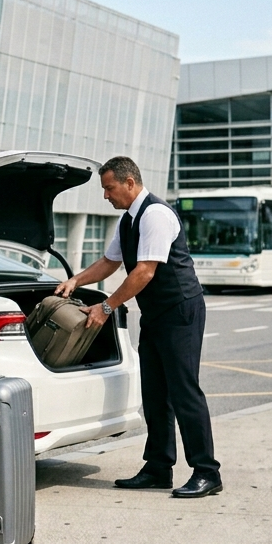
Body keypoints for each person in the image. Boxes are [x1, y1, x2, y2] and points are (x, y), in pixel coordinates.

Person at [54, 156, 222, 498]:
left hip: (180, 311)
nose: (106, 196)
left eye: (109, 188)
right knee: (155, 394)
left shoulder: (156, 215)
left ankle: (207, 472)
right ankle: (159, 467)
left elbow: (144, 271)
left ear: (130, 183)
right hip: (157, 315)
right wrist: (75, 280)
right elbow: (109, 262)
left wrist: (105, 307)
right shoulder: (128, 221)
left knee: (184, 391)